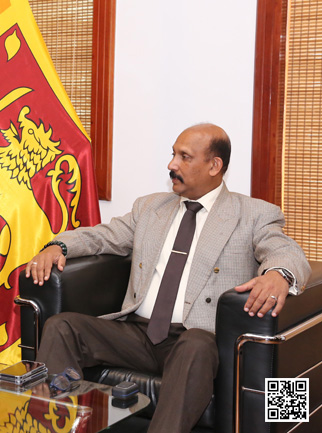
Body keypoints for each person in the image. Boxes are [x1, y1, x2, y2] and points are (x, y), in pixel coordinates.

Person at [25, 123, 311, 433]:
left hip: (197, 340)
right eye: (173, 154)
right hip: (136, 334)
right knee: (63, 327)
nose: (171, 164)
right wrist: (59, 245)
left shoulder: (252, 214)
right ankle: (54, 427)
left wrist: (279, 275)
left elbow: (286, 251)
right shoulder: (150, 207)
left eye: (184, 157)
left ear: (214, 166)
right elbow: (103, 236)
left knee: (196, 345)